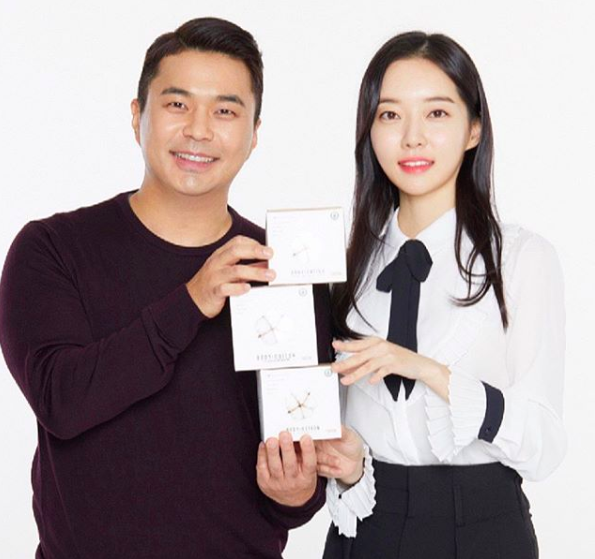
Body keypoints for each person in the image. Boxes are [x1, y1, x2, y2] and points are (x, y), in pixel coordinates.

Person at [0, 17, 332, 559]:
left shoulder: (281, 269)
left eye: (225, 111)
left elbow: (297, 458)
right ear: (138, 116)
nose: (199, 130)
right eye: (178, 104)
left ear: (254, 134)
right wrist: (193, 300)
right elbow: (60, 401)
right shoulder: (51, 249)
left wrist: (297, 492)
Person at [314, 31, 566, 558]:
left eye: (436, 113)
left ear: (474, 129)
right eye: (389, 115)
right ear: (369, 130)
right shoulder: (342, 266)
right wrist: (349, 465)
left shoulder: (520, 260)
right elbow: (340, 431)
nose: (412, 138)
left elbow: (543, 445)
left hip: (482, 528)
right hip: (367, 531)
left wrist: (428, 371)